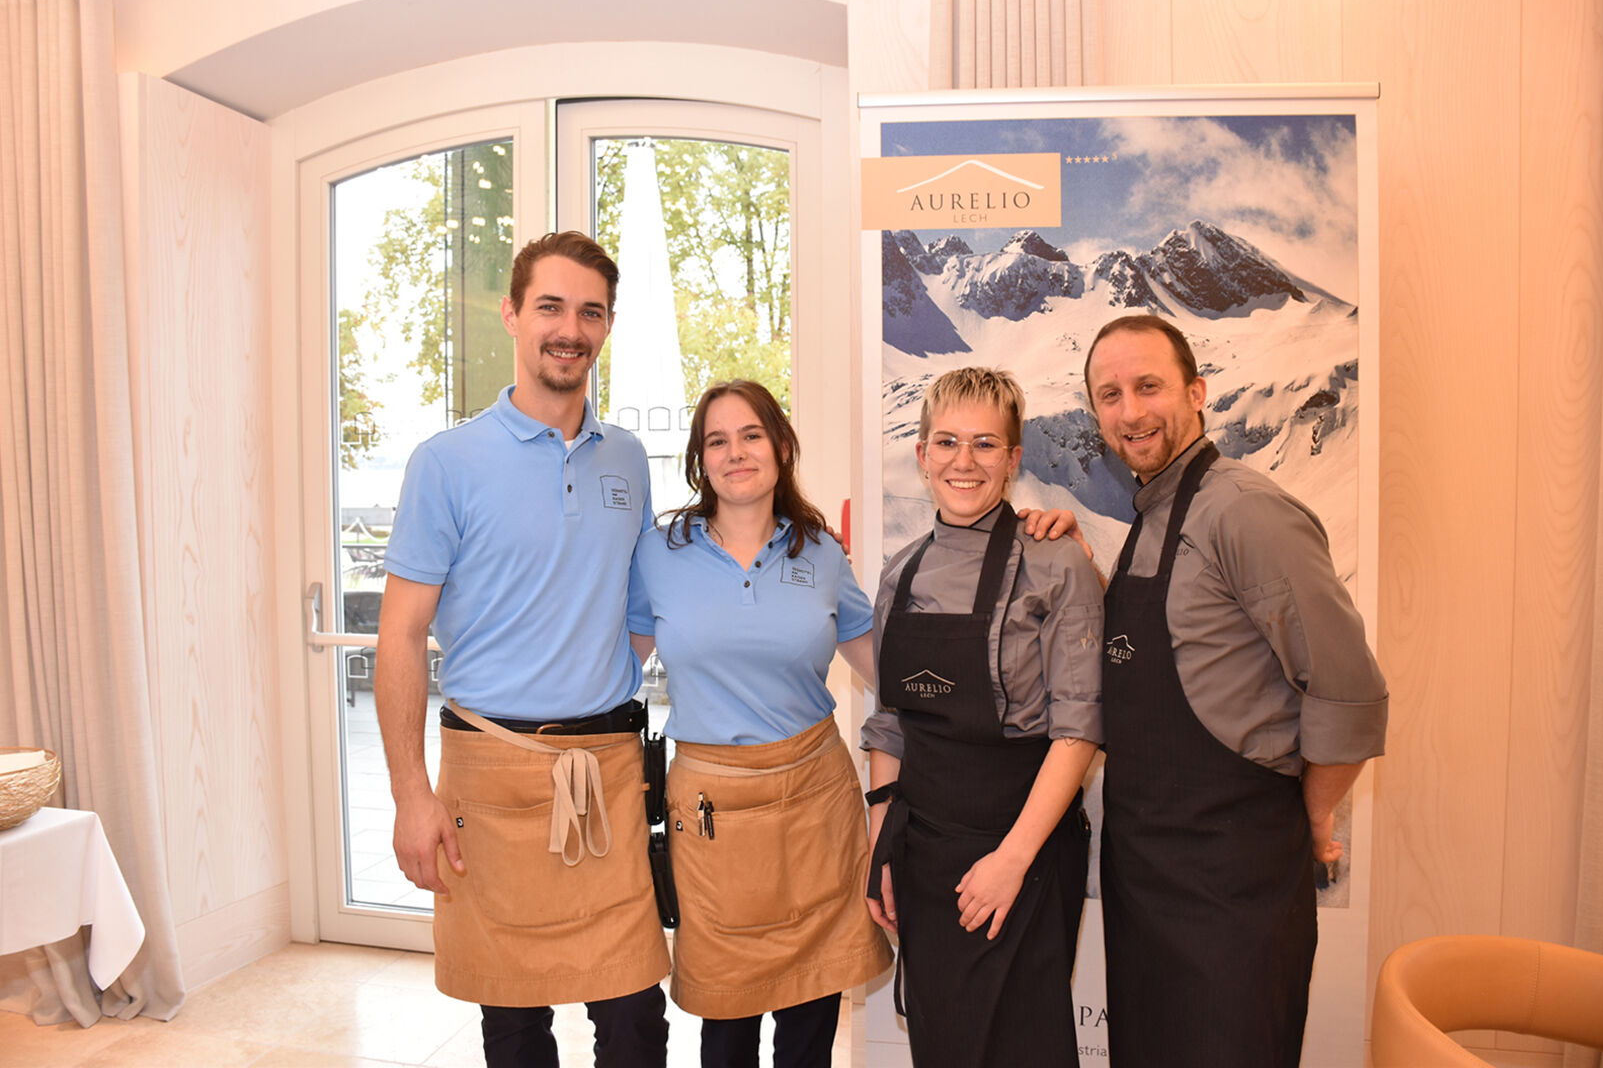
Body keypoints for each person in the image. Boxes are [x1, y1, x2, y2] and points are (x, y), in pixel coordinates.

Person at [628, 379, 1077, 1067]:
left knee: (811, 1005)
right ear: (698, 459)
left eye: (751, 435)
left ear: (781, 448)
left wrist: (1053, 544)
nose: (735, 452)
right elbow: (613, 667)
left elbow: (897, 683)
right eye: (716, 440)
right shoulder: (659, 554)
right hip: (712, 810)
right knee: (727, 1013)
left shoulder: (820, 554)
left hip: (814, 799)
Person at [376, 231, 669, 1068]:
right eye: (550, 306)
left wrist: (591, 668)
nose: (567, 327)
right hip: (489, 772)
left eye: (589, 311)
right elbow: (399, 635)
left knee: (635, 1017)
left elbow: (640, 606)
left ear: (607, 326)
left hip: (608, 768)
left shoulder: (627, 459)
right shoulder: (446, 463)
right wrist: (409, 795)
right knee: (511, 1021)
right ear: (511, 315)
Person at [1083, 313, 1388, 1068]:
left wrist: (1309, 819)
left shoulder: (1245, 510)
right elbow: (1168, 645)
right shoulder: (1150, 515)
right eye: (1108, 394)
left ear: (1196, 392)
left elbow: (1349, 690)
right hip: (1145, 872)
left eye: (1147, 385)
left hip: (1234, 881)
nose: (1129, 411)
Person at [861, 366, 1103, 1068]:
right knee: (944, 1045)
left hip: (1024, 848)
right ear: (921, 455)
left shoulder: (1057, 563)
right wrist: (883, 852)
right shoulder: (899, 574)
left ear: (1013, 459)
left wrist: (1012, 860)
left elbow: (1079, 728)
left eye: (984, 445)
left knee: (1021, 1046)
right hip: (924, 850)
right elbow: (889, 725)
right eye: (945, 443)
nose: (962, 462)